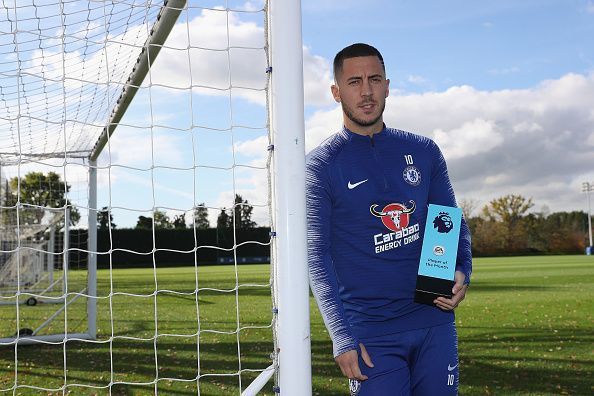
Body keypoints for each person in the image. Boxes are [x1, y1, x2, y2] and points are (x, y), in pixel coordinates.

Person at [306, 43, 472, 395]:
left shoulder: (424, 151)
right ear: (336, 92)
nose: (366, 91)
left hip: (433, 320)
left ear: (387, 86)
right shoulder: (322, 165)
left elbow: (447, 220)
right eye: (354, 82)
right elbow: (317, 255)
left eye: (374, 79)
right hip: (369, 333)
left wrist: (461, 270)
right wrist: (341, 334)